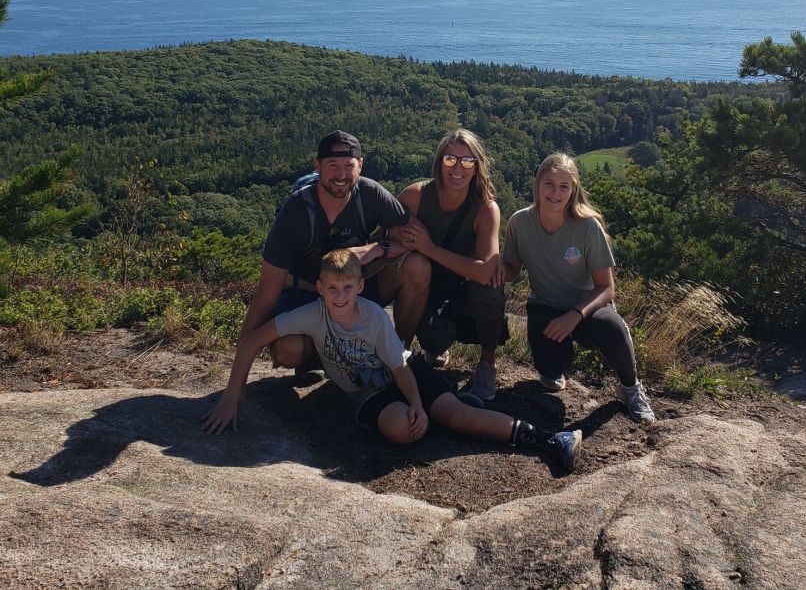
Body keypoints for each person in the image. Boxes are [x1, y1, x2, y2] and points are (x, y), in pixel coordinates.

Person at [203, 249, 581, 473]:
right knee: (402, 432)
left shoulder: (372, 317)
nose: (339, 296)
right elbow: (254, 337)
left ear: (360, 287)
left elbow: (400, 367)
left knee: (458, 418)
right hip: (369, 395)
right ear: (320, 289)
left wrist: (417, 402)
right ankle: (445, 407)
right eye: (332, 289)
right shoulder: (311, 314)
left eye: (347, 288)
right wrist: (231, 396)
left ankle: (549, 440)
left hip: (404, 375)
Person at [240, 130, 428, 376]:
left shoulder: (370, 194)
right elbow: (266, 293)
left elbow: (417, 236)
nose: (341, 175)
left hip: (352, 287)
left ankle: (395, 356)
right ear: (317, 166)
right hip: (305, 292)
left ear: (360, 165)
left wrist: (375, 248)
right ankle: (321, 359)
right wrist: (237, 380)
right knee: (289, 349)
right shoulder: (296, 211)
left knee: (418, 266)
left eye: (348, 165)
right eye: (332, 165)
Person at [501, 152, 656, 426]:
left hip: (586, 306)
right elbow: (512, 270)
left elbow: (606, 288)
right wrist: (488, 271)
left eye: (564, 186)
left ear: (574, 190)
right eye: (549, 183)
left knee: (611, 328)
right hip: (545, 306)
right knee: (549, 377)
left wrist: (573, 315)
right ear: (537, 184)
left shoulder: (586, 226)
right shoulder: (519, 222)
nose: (555, 192)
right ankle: (555, 365)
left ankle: (630, 389)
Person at [394, 129, 506, 402]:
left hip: (464, 290)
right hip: (426, 288)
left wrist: (430, 248)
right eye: (450, 160)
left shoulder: (485, 209)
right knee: (435, 336)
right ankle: (401, 354)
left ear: (477, 166)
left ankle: (487, 363)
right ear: (439, 162)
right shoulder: (416, 196)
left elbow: (483, 271)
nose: (458, 168)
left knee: (491, 285)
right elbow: (385, 236)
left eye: (467, 161)